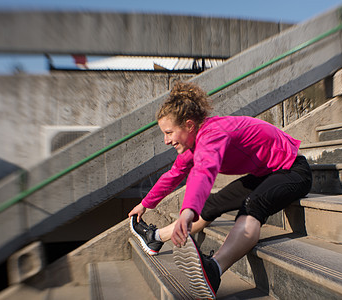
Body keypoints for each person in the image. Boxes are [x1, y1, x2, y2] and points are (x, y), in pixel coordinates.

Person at [128, 81, 312, 299]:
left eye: (169, 133)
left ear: (188, 125)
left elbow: (203, 172)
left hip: (293, 171)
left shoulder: (214, 133)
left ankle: (214, 270)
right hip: (266, 174)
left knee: (252, 204)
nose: (166, 140)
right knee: (211, 205)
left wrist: (188, 211)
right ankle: (155, 237)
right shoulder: (193, 143)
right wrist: (145, 204)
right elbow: (173, 175)